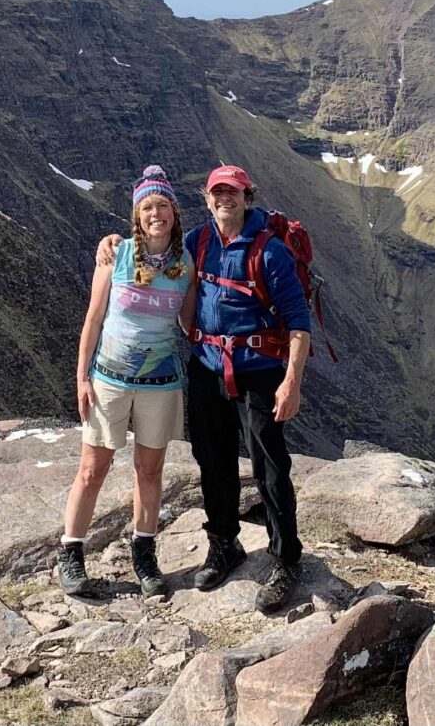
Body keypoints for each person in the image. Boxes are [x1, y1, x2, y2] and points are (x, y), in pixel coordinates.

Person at [96, 165, 311, 613]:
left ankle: (286, 556)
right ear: (207, 197)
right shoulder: (197, 241)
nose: (224, 199)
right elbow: (152, 248)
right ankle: (224, 543)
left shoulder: (269, 252)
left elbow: (297, 321)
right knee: (212, 461)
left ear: (246, 195)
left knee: (270, 465)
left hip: (259, 371)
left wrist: (291, 382)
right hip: (207, 366)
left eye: (232, 191)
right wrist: (112, 242)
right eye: (217, 192)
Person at [58, 165, 196, 598]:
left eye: (163, 206)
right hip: (110, 380)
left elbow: (190, 324)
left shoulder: (185, 263)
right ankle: (71, 553)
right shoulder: (114, 255)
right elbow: (93, 319)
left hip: (161, 383)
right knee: (92, 468)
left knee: (149, 470)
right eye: (148, 207)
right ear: (137, 215)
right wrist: (82, 379)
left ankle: (144, 555)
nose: (156, 213)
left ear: (174, 212)